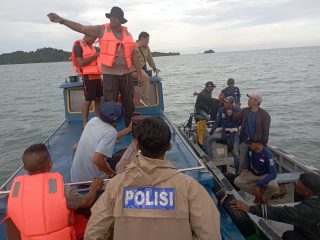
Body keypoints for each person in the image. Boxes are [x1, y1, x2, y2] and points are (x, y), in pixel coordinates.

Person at [84, 117, 222, 240]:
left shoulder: (116, 186)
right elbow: (210, 234)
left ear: (137, 145)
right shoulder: (190, 188)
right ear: (169, 147)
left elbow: (94, 233)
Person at [47, 6, 142, 127]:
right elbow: (82, 28)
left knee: (129, 104)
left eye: (115, 17)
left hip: (126, 74)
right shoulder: (101, 29)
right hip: (110, 75)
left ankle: (130, 129)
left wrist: (139, 73)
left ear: (121, 20)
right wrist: (62, 20)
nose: (112, 19)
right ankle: (110, 132)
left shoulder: (128, 34)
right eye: (111, 16)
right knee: (110, 105)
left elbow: (133, 55)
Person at [7, 143, 103, 240]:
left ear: (24, 168)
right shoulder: (63, 190)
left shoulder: (14, 193)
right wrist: (94, 188)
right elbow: (86, 202)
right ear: (50, 164)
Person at [231, 171, 320, 240]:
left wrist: (249, 208)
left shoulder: (312, 208)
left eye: (297, 185)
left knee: (289, 236)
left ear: (308, 191)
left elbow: (282, 213)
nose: (295, 184)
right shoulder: (315, 193)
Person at [71, 101, 132, 182]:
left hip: (76, 177)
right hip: (92, 180)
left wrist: (128, 129)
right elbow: (96, 159)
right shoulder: (111, 132)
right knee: (128, 153)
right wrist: (112, 174)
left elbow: (109, 137)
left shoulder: (93, 120)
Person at [234, 134, 279, 203]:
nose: (249, 145)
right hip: (253, 173)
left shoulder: (267, 155)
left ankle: (263, 198)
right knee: (237, 181)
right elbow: (249, 159)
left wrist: (258, 184)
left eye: (251, 143)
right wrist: (247, 168)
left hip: (264, 175)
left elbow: (273, 174)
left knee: (274, 186)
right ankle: (257, 193)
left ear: (257, 144)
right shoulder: (251, 150)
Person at [231, 93, 271, 170]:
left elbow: (266, 131)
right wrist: (231, 113)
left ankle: (254, 176)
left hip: (256, 143)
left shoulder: (265, 115)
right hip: (245, 141)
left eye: (250, 99)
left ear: (256, 102)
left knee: (255, 162)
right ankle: (240, 176)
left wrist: (263, 144)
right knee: (242, 162)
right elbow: (235, 119)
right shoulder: (245, 111)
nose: (248, 100)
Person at [203, 96, 240, 173]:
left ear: (232, 103)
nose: (225, 103)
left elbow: (239, 122)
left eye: (227, 102)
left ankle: (238, 171)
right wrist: (210, 133)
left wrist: (232, 115)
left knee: (236, 152)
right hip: (224, 134)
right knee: (208, 140)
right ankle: (210, 160)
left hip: (234, 134)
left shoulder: (237, 109)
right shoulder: (221, 110)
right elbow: (217, 123)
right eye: (225, 102)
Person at [72, 35, 102, 128]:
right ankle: (84, 122)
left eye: (95, 39)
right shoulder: (78, 47)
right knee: (88, 100)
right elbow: (81, 63)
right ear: (86, 36)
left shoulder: (93, 48)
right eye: (92, 38)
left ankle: (99, 120)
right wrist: (95, 55)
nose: (93, 41)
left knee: (98, 99)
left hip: (98, 76)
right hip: (88, 77)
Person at [131, 31, 160, 106]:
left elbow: (150, 59)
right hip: (132, 68)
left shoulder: (147, 48)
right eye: (147, 40)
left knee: (144, 77)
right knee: (145, 77)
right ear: (142, 39)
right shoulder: (133, 46)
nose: (148, 42)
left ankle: (143, 97)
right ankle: (145, 98)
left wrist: (154, 67)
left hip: (140, 69)